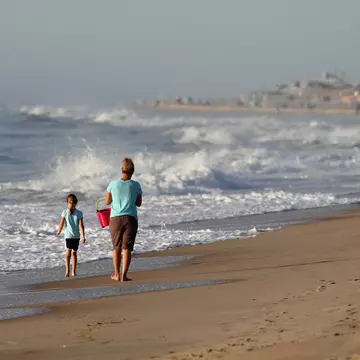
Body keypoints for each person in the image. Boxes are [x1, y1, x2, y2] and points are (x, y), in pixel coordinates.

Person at [105, 157, 142, 281]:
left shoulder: (113, 184)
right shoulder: (136, 185)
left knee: (116, 247)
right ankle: (124, 275)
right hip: (130, 218)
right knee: (126, 248)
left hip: (115, 218)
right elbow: (138, 203)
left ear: (122, 170)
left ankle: (116, 274)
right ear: (132, 171)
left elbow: (107, 201)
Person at [56, 194, 85, 277]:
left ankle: (67, 271)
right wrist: (83, 236)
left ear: (67, 202)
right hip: (76, 236)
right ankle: (73, 272)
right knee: (74, 254)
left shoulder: (65, 212)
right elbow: (81, 226)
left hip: (68, 236)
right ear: (76, 203)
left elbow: (61, 223)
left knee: (67, 255)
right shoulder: (79, 213)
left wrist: (59, 230)